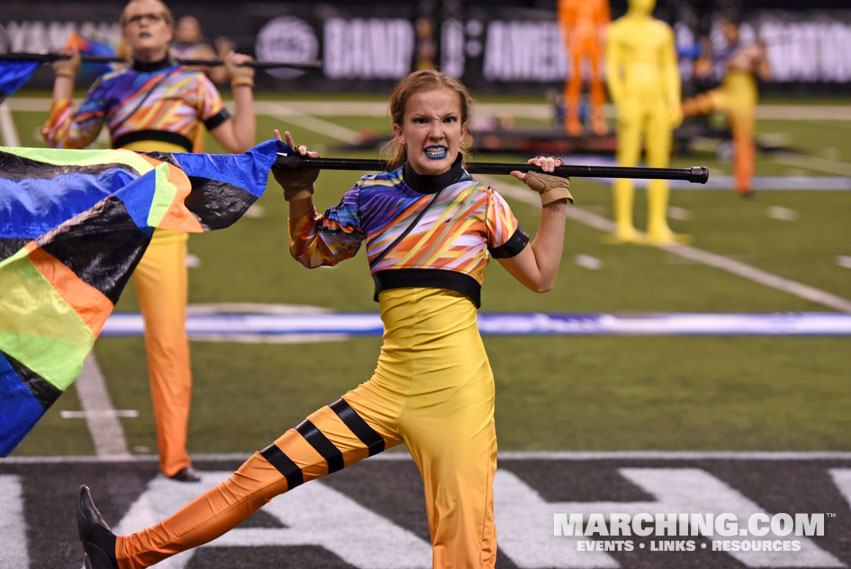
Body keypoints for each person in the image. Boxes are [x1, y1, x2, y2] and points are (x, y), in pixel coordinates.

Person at [74, 69, 573, 569]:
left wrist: (554, 198)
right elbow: (312, 252)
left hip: (456, 397)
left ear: (464, 132)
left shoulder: (482, 202)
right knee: (260, 476)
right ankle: (124, 555)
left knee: (463, 549)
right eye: (421, 120)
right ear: (399, 131)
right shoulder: (369, 195)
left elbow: (540, 275)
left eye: (448, 120)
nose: (435, 131)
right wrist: (299, 191)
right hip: (387, 390)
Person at [42, 0, 256, 483]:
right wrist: (63, 76)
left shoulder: (195, 83)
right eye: (134, 19)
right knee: (57, 320)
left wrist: (241, 82)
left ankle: (174, 458)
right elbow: (61, 144)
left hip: (165, 225)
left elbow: (240, 144)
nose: (143, 24)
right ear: (125, 33)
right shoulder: (109, 85)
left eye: (153, 17)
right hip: (115, 219)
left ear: (166, 30)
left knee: (167, 341)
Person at [605, 0, 684, 244]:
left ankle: (658, 223)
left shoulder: (662, 31)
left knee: (660, 161)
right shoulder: (618, 30)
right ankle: (624, 223)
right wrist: (621, 101)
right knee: (627, 161)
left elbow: (669, 67)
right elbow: (611, 67)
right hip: (633, 97)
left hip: (657, 99)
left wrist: (674, 101)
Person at [682, 14, 771, 197]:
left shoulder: (749, 49)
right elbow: (701, 71)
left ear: (736, 28)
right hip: (726, 93)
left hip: (743, 99)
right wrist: (707, 52)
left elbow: (766, 74)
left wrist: (761, 54)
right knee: (693, 106)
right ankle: (665, 119)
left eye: (727, 29)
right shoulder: (725, 49)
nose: (724, 33)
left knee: (744, 142)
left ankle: (744, 184)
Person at [557, 0, 610, 137]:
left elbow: (604, 22)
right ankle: (571, 120)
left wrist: (603, 44)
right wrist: (568, 43)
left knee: (597, 81)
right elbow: (564, 22)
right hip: (577, 41)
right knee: (574, 80)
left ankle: (598, 119)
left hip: (594, 43)